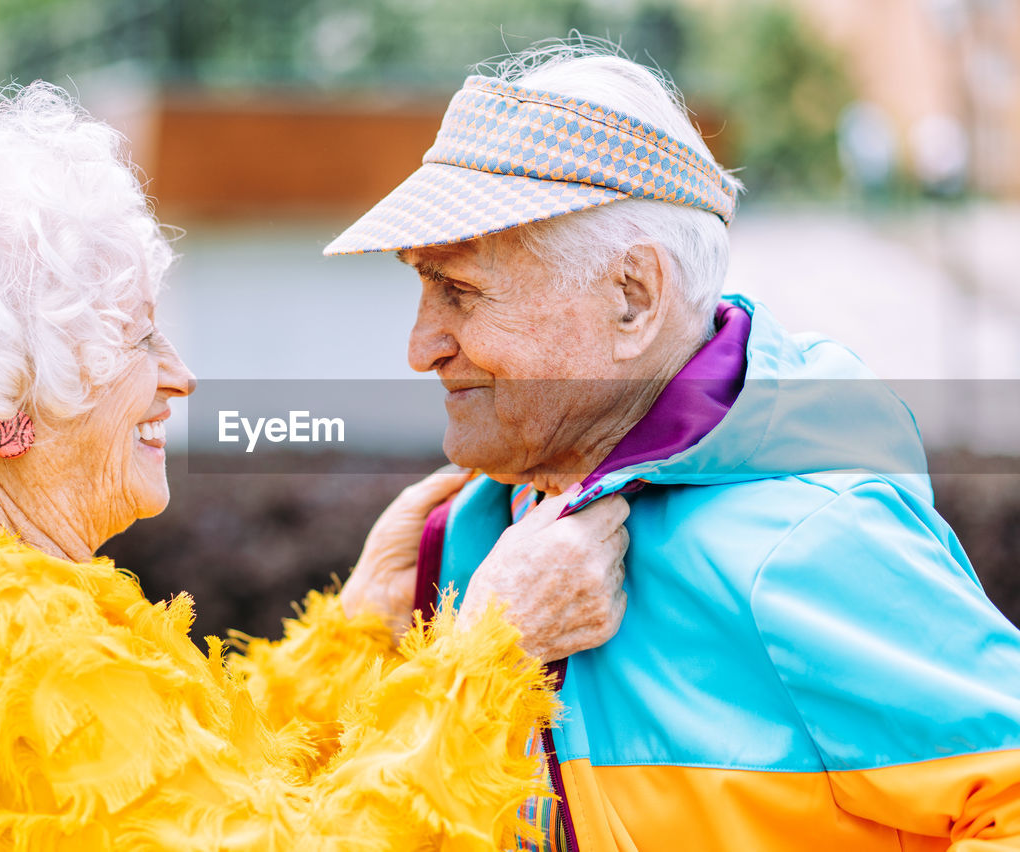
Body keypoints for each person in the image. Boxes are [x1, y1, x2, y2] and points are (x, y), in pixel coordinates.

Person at [0, 83, 634, 850]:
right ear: (7, 401)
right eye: (139, 337)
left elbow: (193, 802)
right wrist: (494, 646)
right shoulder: (2, 644)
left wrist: (362, 622)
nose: (179, 373)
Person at [324, 41, 1020, 850]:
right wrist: (368, 625)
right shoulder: (473, 541)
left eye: (460, 290)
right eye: (421, 283)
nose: (421, 346)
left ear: (634, 298)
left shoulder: (810, 543)